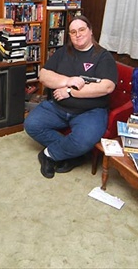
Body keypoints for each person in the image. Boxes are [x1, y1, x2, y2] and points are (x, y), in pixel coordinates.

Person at [24, 15, 118, 179]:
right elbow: (44, 76)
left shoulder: (103, 56)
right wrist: (67, 81)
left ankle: (49, 154)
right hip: (58, 107)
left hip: (90, 111)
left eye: (82, 30)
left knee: (82, 141)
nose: (78, 34)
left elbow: (107, 87)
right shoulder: (62, 53)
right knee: (31, 124)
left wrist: (70, 91)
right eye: (73, 32)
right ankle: (74, 154)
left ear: (90, 32)